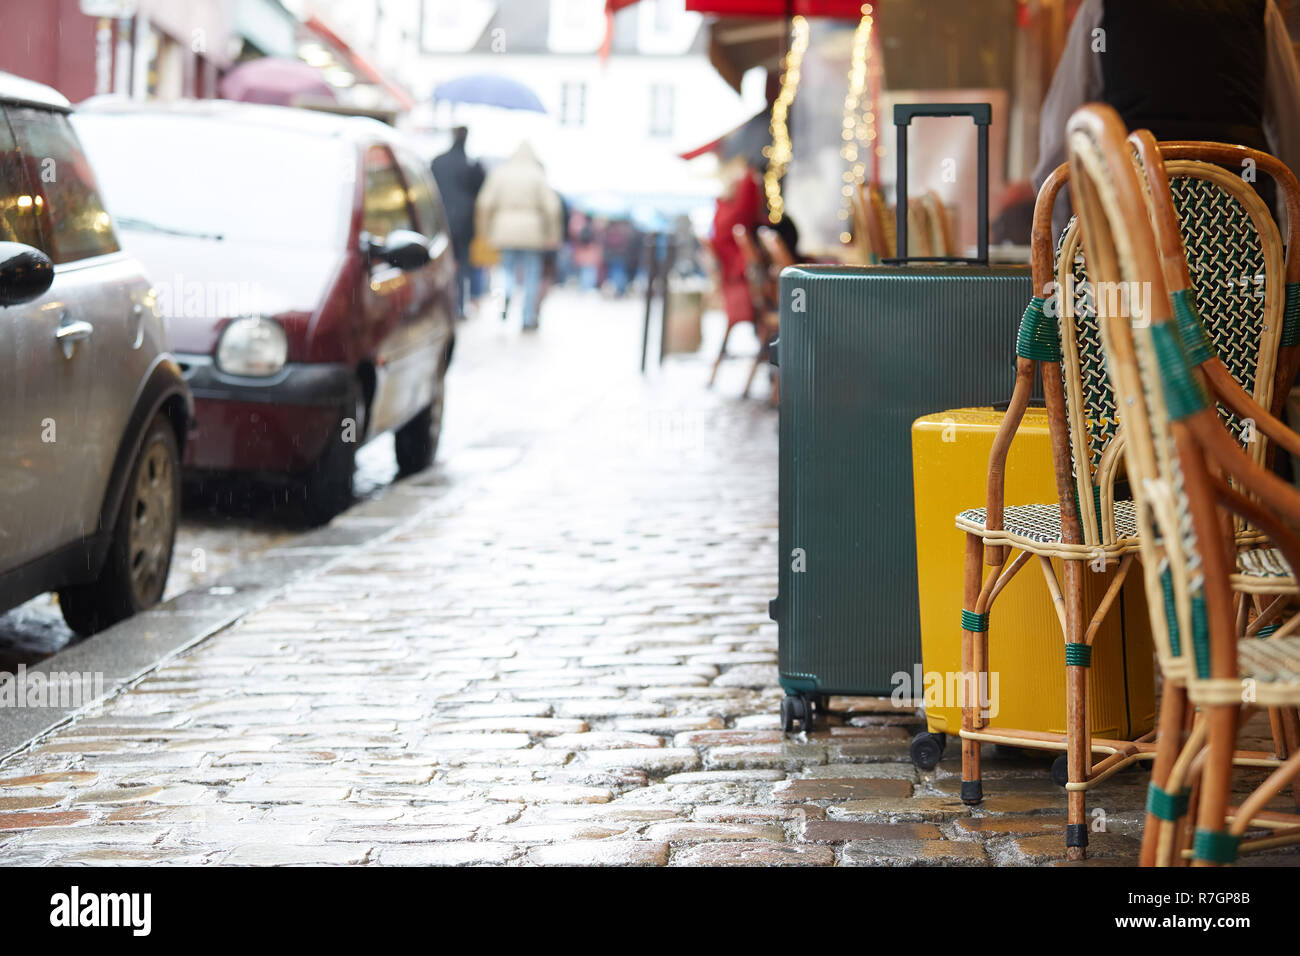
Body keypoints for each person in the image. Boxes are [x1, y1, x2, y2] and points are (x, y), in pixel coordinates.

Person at [1034, 0, 1300, 235]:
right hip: (1241, 241)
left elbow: (1059, 141)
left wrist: (1058, 241)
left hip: (1138, 241)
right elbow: (1292, 132)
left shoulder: (1103, 7)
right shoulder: (1260, 8)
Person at [475, 141, 562, 331]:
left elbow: (484, 203)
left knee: (506, 270)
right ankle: (528, 317)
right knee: (532, 275)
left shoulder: (500, 173)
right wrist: (552, 235)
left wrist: (484, 231)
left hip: (503, 229)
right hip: (533, 232)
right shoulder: (537, 175)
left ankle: (505, 296)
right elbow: (552, 207)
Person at [430, 126, 484, 320]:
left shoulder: (438, 162)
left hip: (441, 220)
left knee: (440, 263)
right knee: (463, 266)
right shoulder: (471, 165)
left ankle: (443, 307)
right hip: (464, 223)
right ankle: (459, 306)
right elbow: (480, 191)